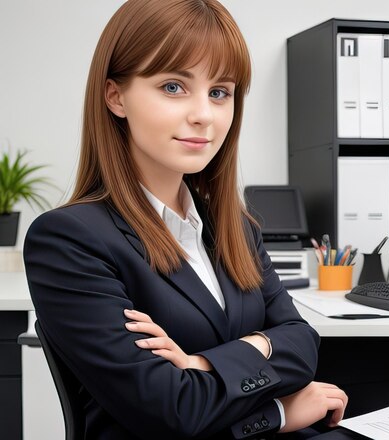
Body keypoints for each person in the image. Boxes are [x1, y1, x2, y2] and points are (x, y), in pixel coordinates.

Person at [23, 0, 349, 438]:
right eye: (174, 86)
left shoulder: (236, 227)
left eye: (220, 92)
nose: (204, 115)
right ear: (115, 96)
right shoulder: (70, 239)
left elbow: (302, 342)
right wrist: (278, 410)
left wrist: (204, 364)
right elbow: (171, 410)